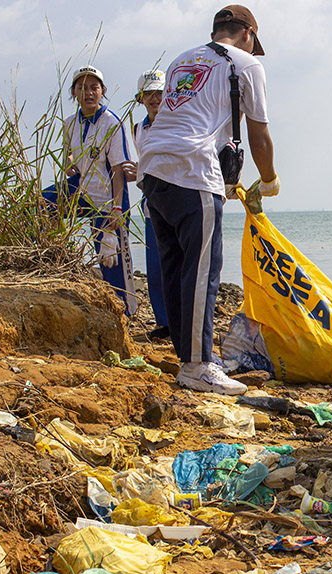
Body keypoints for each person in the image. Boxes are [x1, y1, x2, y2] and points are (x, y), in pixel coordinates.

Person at [137, 5, 280, 395]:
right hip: (192, 169)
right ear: (248, 33)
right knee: (202, 270)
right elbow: (259, 133)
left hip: (153, 168)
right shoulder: (247, 63)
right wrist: (268, 180)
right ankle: (198, 366)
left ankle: (189, 357)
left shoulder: (184, 58)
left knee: (176, 265)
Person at [42, 65, 136, 315]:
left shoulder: (111, 122)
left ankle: (125, 314)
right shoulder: (70, 123)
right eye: (81, 87)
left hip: (109, 198)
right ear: (73, 92)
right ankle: (51, 258)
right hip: (81, 189)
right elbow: (68, 155)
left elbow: (118, 170)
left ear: (102, 91)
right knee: (42, 203)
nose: (88, 92)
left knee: (110, 257)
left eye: (94, 87)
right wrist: (69, 163)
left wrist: (116, 211)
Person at [131, 69, 169, 340]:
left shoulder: (177, 123)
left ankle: (185, 321)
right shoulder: (137, 130)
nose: (155, 98)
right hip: (149, 204)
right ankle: (163, 322)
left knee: (179, 266)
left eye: (159, 92)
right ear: (141, 98)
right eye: (149, 94)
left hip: (176, 201)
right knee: (155, 268)